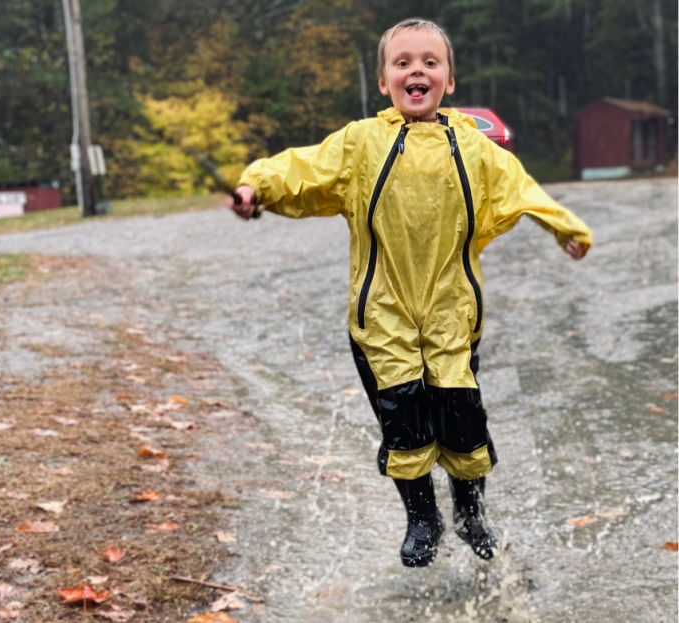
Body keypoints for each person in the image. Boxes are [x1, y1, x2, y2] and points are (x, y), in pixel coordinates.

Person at [227, 17, 591, 567]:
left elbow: (522, 189)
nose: (415, 70)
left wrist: (565, 227)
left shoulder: (476, 150)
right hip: (383, 315)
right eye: (402, 63)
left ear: (449, 80)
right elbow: (302, 168)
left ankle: (471, 512)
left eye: (429, 62)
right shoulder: (361, 144)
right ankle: (422, 516)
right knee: (404, 423)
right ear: (383, 82)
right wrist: (257, 185)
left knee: (462, 422)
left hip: (451, 314)